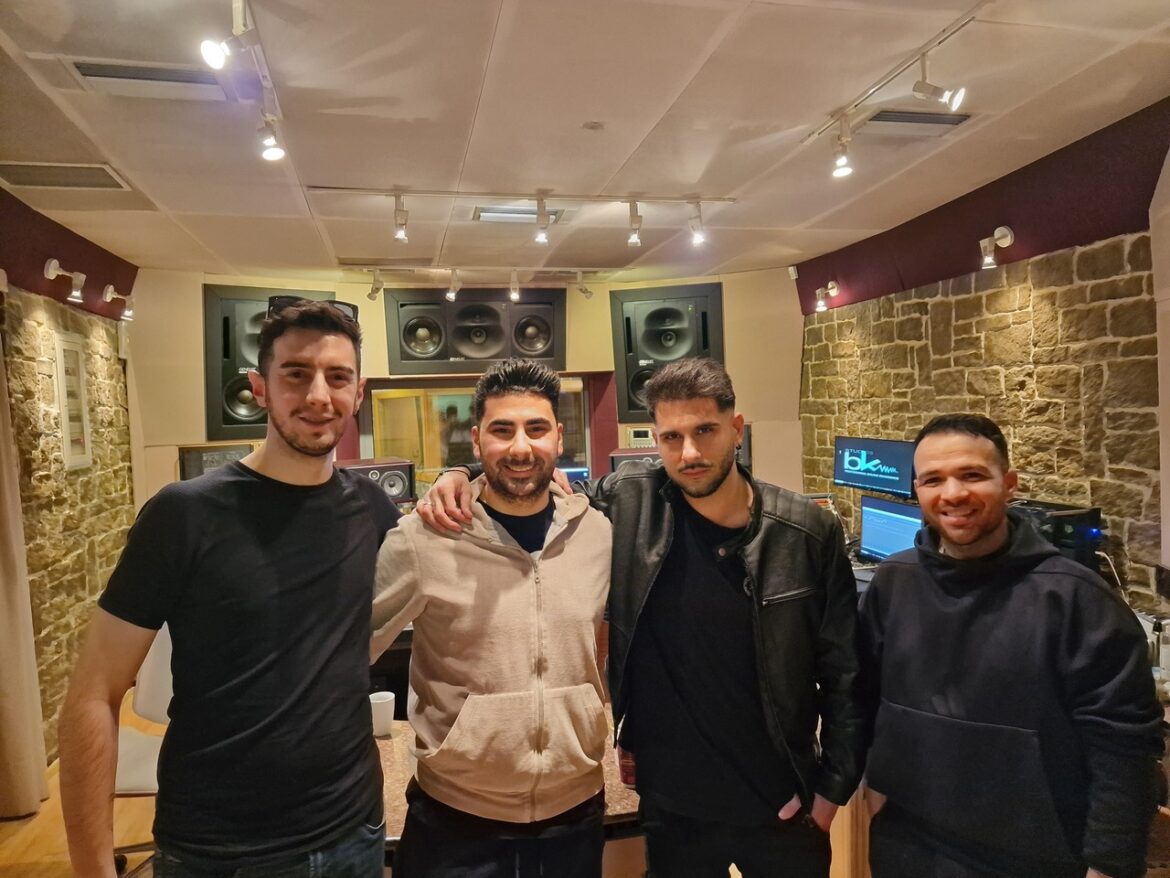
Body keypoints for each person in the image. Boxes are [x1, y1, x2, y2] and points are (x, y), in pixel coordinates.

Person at [420, 357, 865, 878]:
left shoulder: (807, 533)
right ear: (656, 439)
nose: (689, 452)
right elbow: (528, 479)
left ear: (736, 429)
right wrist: (459, 475)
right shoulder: (627, 503)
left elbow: (846, 676)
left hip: (784, 805)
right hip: (671, 810)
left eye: (705, 431)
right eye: (672, 437)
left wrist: (829, 795)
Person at [59, 298, 400, 878]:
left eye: (338, 377)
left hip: (354, 835)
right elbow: (93, 694)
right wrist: (93, 870)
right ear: (259, 387)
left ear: (358, 392)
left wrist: (460, 484)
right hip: (220, 852)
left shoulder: (371, 506)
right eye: (296, 374)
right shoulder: (183, 514)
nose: (319, 395)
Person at [858, 413, 1163, 878]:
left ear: (1010, 484)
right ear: (916, 490)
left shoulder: (1076, 598)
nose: (953, 493)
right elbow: (865, 697)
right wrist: (874, 779)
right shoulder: (893, 582)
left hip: (1034, 856)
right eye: (933, 480)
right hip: (907, 845)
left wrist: (1110, 864)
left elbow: (1124, 747)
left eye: (972, 475)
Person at [370, 358, 612, 878]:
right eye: (503, 431)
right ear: (477, 441)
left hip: (575, 816)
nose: (521, 448)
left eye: (536, 429)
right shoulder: (424, 539)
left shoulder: (597, 534)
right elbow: (345, 650)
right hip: (455, 823)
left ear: (559, 438)